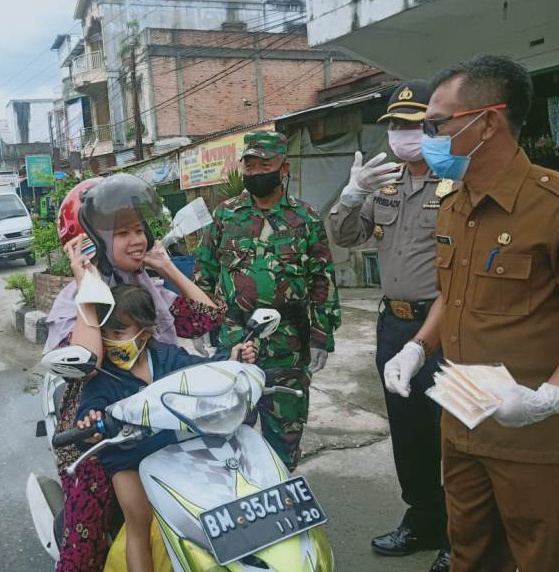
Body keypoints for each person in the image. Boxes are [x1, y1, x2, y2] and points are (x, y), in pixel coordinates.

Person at [384, 54, 559, 571]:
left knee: (542, 560)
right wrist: (419, 345)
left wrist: (551, 397)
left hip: (533, 435)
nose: (425, 136)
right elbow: (451, 297)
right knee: (471, 555)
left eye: (435, 124)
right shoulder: (454, 204)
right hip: (462, 418)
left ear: (488, 121)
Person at [44, 174, 225, 572]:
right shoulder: (73, 299)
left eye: (139, 229)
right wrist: (85, 284)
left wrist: (167, 267)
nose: (137, 240)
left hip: (164, 413)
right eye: (122, 232)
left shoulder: (148, 287)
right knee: (83, 547)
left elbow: (208, 319)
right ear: (90, 241)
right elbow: (86, 362)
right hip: (98, 428)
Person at [328, 81, 451, 571]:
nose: (403, 135)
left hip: (444, 328)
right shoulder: (386, 183)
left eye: (414, 124)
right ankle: (422, 517)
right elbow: (346, 236)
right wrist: (351, 196)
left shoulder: (456, 183)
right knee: (408, 428)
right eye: (397, 126)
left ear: (434, 127)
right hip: (393, 325)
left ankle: (458, 533)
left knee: (451, 433)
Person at [74, 283, 255, 572]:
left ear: (144, 333)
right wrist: (89, 424)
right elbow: (89, 411)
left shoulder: (168, 357)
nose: (110, 342)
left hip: (176, 452)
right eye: (106, 335)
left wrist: (231, 359)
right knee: (139, 519)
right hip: (128, 458)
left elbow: (201, 372)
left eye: (119, 334)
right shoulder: (103, 376)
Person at [194, 130, 341, 471]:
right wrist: (200, 321)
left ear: (283, 168)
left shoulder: (305, 218)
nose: (257, 172)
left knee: (285, 435)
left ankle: (281, 497)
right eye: (250, 165)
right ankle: (236, 505)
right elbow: (205, 269)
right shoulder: (226, 215)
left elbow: (322, 279)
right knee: (228, 432)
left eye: (265, 165)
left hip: (288, 342)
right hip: (235, 338)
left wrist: (322, 336)